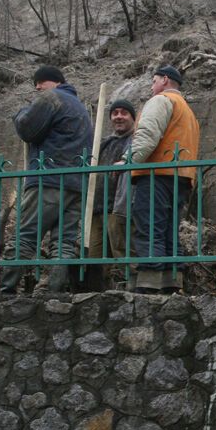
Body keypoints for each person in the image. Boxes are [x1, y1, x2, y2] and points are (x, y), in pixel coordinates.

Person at [0, 66, 93, 294]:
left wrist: (21, 112)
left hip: (49, 180)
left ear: (52, 82)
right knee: (64, 242)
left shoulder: (51, 98)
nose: (38, 88)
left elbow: (27, 129)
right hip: (76, 185)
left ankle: (7, 289)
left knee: (26, 234)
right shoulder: (81, 108)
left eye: (40, 83)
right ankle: (55, 291)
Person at [128, 65, 199, 294]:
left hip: (155, 174)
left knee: (150, 227)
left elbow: (148, 135)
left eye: (153, 81)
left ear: (165, 80)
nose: (151, 86)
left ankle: (149, 284)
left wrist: (129, 161)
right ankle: (171, 283)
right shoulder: (188, 112)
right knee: (169, 231)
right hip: (180, 178)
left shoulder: (161, 100)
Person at [78, 99, 136, 292]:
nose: (118, 116)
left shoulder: (134, 142)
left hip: (118, 207)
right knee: (95, 258)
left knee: (123, 252)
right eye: (115, 113)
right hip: (96, 208)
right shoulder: (103, 144)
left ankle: (135, 290)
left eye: (124, 113)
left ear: (132, 118)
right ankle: (96, 295)